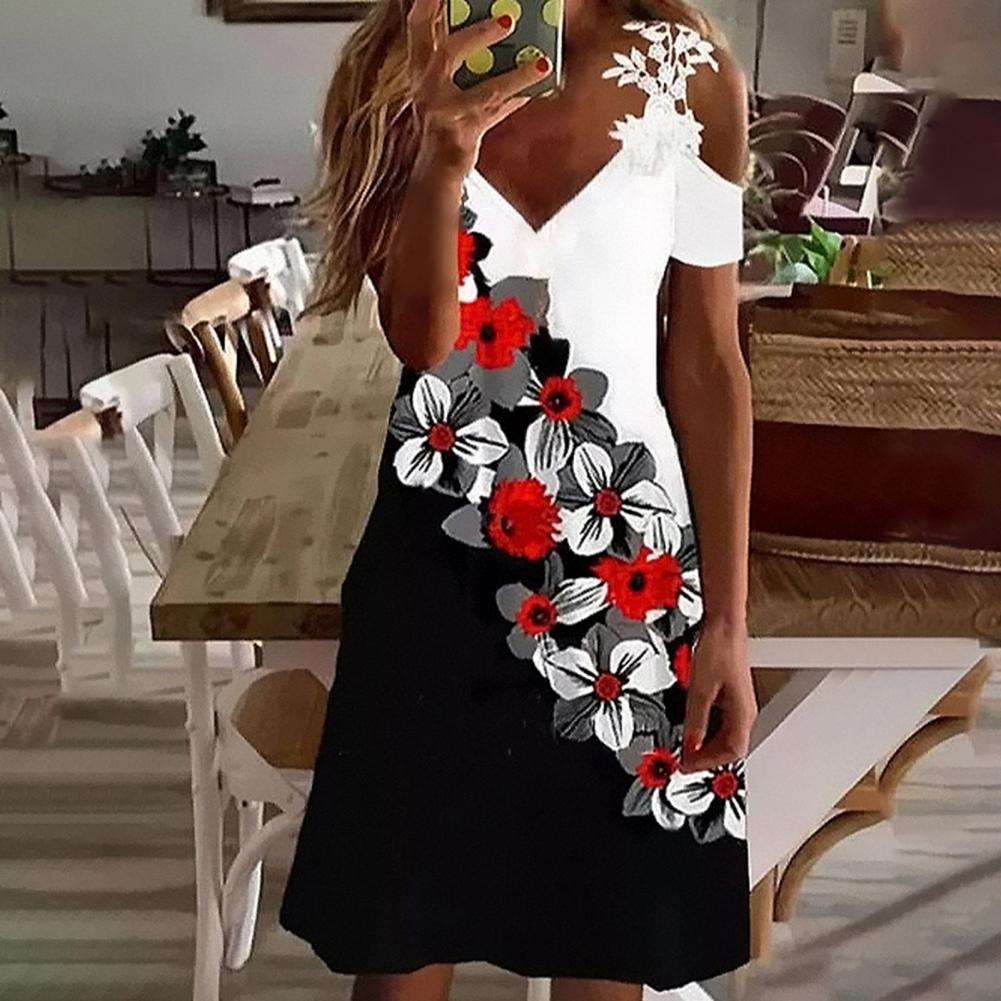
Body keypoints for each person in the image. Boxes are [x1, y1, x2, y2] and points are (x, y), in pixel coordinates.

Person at [280, 1, 757, 998]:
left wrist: (727, 622)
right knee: (400, 951)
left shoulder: (692, 74)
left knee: (610, 948)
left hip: (628, 575)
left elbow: (708, 362)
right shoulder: (395, 68)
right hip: (435, 561)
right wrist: (441, 152)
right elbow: (422, 341)